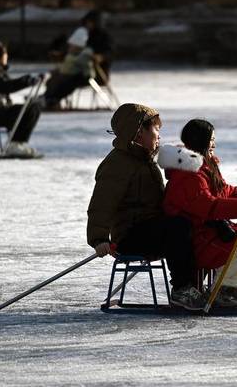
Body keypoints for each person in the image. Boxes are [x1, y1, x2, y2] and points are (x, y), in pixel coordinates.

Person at [86, 103, 205, 311]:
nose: (159, 136)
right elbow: (102, 203)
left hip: (151, 228)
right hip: (131, 236)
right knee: (178, 227)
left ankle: (196, 287)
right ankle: (182, 289)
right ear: (139, 132)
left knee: (194, 223)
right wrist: (99, 238)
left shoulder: (146, 158)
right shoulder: (118, 164)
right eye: (156, 130)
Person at [159, 119, 237, 307]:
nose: (214, 144)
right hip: (195, 237)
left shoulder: (205, 165)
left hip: (209, 230)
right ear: (201, 140)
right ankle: (223, 289)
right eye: (211, 139)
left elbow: (225, 191)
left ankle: (231, 287)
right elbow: (205, 205)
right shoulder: (188, 172)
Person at [0, 40, 42, 158]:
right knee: (29, 110)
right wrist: (26, 81)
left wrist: (29, 80)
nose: (7, 57)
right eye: (5, 54)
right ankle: (15, 144)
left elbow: (8, 83)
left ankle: (19, 142)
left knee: (34, 107)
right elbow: (5, 86)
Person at [41, 27, 95, 109]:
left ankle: (52, 98)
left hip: (82, 77)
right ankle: (48, 97)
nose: (70, 48)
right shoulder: (71, 55)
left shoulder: (84, 55)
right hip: (70, 75)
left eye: (72, 46)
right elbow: (67, 67)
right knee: (53, 79)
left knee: (64, 81)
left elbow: (78, 67)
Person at [82, 10, 113, 84]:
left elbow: (110, 52)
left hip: (98, 73)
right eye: (87, 22)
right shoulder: (85, 35)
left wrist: (101, 57)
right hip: (82, 70)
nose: (88, 25)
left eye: (90, 22)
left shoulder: (105, 37)